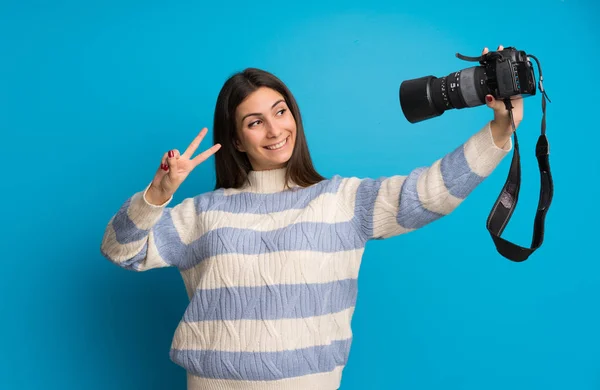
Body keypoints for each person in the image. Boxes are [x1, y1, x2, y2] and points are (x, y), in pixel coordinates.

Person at [101, 45, 518, 390]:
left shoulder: (341, 200)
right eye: (254, 122)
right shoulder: (202, 214)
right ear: (236, 140)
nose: (274, 129)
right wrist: (159, 193)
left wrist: (500, 131)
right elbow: (121, 252)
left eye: (280, 112)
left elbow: (429, 192)